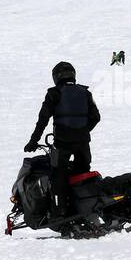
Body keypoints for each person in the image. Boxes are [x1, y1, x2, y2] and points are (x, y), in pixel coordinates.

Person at [25, 62, 101, 217]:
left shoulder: (54, 93)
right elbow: (96, 117)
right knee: (81, 174)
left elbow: (43, 120)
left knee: (57, 175)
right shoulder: (85, 92)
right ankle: (84, 209)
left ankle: (59, 212)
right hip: (83, 144)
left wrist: (33, 141)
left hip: (62, 143)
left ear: (56, 76)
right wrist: (82, 131)